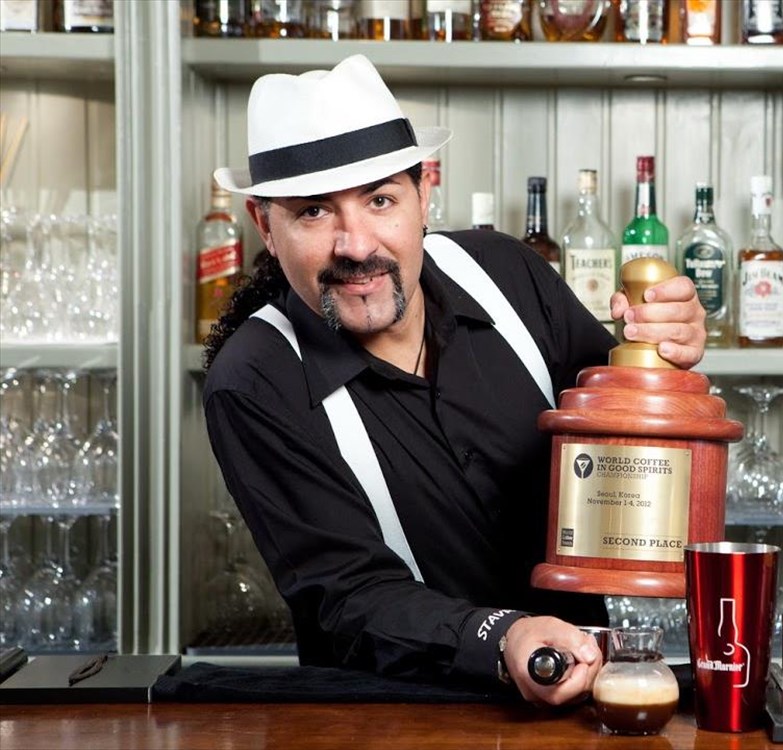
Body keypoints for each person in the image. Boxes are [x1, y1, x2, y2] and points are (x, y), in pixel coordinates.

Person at [202, 55, 706, 706]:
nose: (356, 245)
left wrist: (666, 352)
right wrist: (504, 639)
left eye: (380, 199)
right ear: (265, 226)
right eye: (314, 212)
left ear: (424, 195)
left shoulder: (506, 274)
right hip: (394, 720)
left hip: (586, 699)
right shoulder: (255, 380)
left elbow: (624, 440)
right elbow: (348, 595)